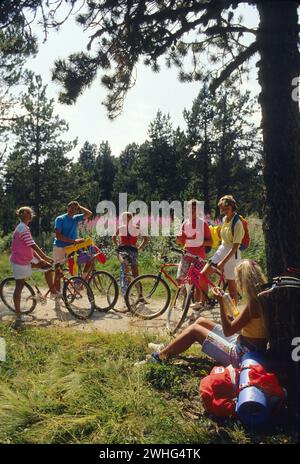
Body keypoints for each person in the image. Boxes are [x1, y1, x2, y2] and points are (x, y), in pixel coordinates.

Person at [137, 259, 269, 368]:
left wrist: (222, 304)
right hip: (245, 345)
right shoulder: (262, 297)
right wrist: (228, 308)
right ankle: (169, 348)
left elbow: (228, 331)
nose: (237, 284)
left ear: (244, 281)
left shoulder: (253, 303)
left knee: (195, 330)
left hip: (241, 356)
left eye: (237, 281)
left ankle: (159, 357)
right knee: (201, 321)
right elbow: (247, 326)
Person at [10, 207, 58, 327]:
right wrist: (45, 257)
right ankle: (18, 315)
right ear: (21, 215)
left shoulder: (24, 227)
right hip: (20, 261)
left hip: (26, 258)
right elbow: (33, 245)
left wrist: (43, 259)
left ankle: (51, 291)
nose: (30, 214)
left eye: (30, 212)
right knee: (19, 286)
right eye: (27, 213)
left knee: (47, 267)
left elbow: (30, 247)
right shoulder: (22, 228)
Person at [198, 195, 244, 307]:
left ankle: (233, 314)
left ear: (233, 207)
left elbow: (235, 247)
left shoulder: (237, 223)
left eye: (226, 208)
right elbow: (223, 237)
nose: (224, 211)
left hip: (233, 255)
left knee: (232, 288)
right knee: (203, 275)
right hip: (222, 249)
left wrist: (223, 262)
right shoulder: (224, 219)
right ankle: (202, 302)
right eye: (222, 209)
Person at [176, 199, 212, 312]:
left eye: (194, 207)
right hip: (186, 255)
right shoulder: (185, 223)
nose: (191, 209)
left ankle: (195, 307)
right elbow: (181, 241)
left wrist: (198, 241)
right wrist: (179, 238)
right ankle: (187, 299)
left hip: (199, 257)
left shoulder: (203, 224)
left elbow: (210, 242)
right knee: (180, 279)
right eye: (189, 207)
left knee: (196, 284)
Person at [53, 201, 92, 291]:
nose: (73, 210)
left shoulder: (76, 218)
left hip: (72, 248)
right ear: (67, 208)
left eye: (75, 208)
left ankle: (80, 282)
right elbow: (58, 236)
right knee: (58, 271)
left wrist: (80, 206)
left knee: (89, 259)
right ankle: (56, 296)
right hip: (60, 247)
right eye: (71, 208)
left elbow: (89, 213)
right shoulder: (60, 219)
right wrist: (74, 241)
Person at [113, 211, 148, 301]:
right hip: (123, 250)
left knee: (135, 273)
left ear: (131, 218)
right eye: (124, 218)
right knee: (126, 272)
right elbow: (113, 237)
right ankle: (127, 293)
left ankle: (140, 295)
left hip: (132, 251)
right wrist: (118, 246)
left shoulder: (136, 228)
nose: (126, 220)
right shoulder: (121, 228)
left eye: (127, 218)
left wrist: (139, 248)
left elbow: (146, 239)